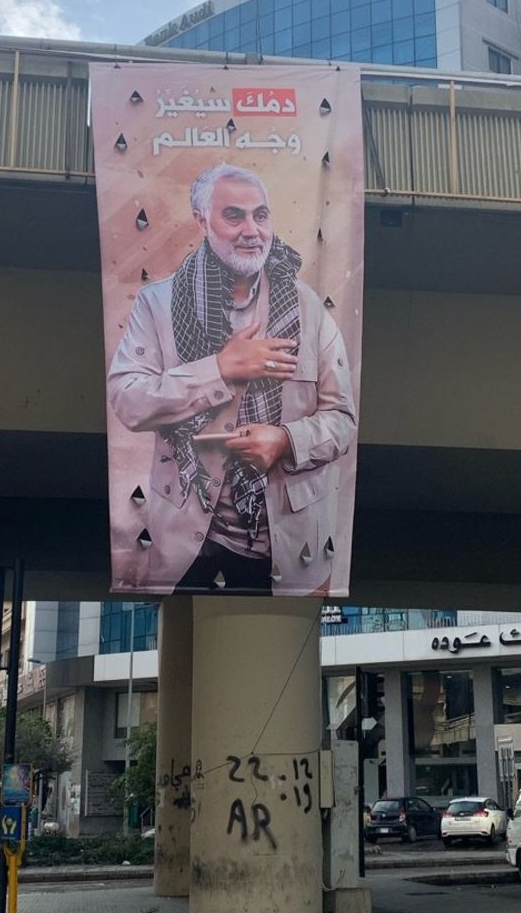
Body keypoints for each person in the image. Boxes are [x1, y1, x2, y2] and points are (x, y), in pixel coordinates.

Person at [108, 163, 356, 594]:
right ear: (202, 221)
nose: (251, 230)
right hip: (186, 542)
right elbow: (128, 399)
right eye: (234, 216)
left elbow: (342, 421)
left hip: (284, 548)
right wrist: (218, 368)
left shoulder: (308, 309)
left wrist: (285, 440)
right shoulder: (158, 304)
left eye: (261, 215)